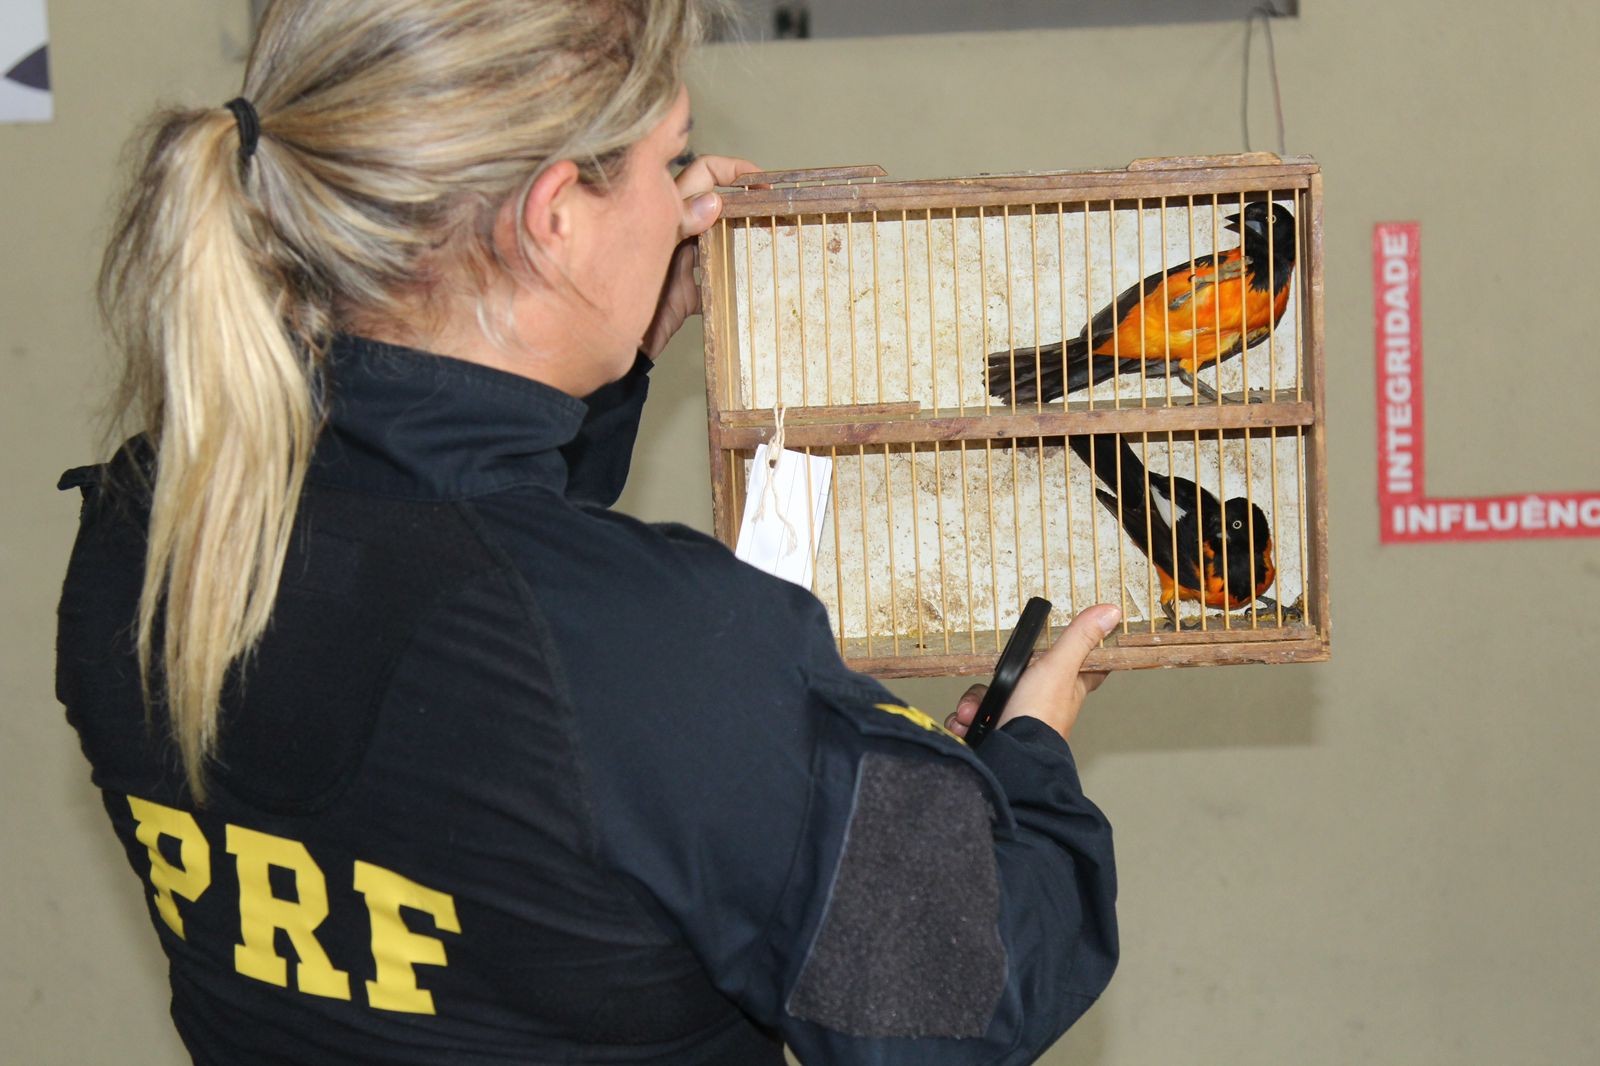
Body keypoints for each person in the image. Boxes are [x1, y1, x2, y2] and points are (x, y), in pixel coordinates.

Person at [55, 1, 1121, 1063]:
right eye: (674, 163)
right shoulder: (662, 649)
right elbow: (955, 997)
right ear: (554, 212)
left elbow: (458, 585)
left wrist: (599, 353)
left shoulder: (143, 537)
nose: (684, 205)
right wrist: (1028, 764)